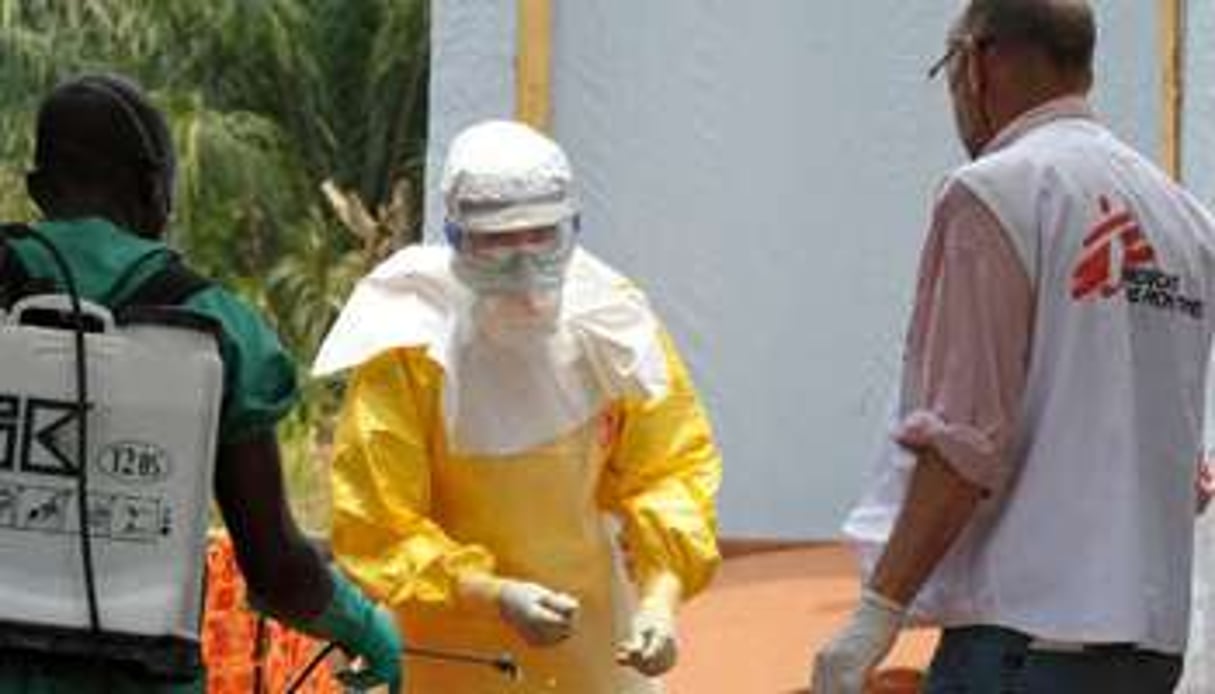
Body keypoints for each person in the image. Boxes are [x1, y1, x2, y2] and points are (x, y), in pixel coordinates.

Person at [810, 1, 1215, 692]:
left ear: (975, 61)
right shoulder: (1184, 219)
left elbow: (966, 440)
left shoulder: (996, 192)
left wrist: (874, 617)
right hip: (1146, 644)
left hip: (1021, 638)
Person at [0, 73, 403, 692]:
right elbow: (275, 570)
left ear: (37, 190)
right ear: (155, 191)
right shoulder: (215, 327)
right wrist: (364, 626)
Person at [312, 119, 722, 693]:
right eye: (497, 242)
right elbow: (378, 525)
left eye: (540, 237)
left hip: (598, 646)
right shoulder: (410, 344)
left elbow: (671, 469)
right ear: (455, 236)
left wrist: (660, 597)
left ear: (571, 227)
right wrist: (493, 593)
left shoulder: (611, 322)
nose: (523, 262)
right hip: (456, 655)